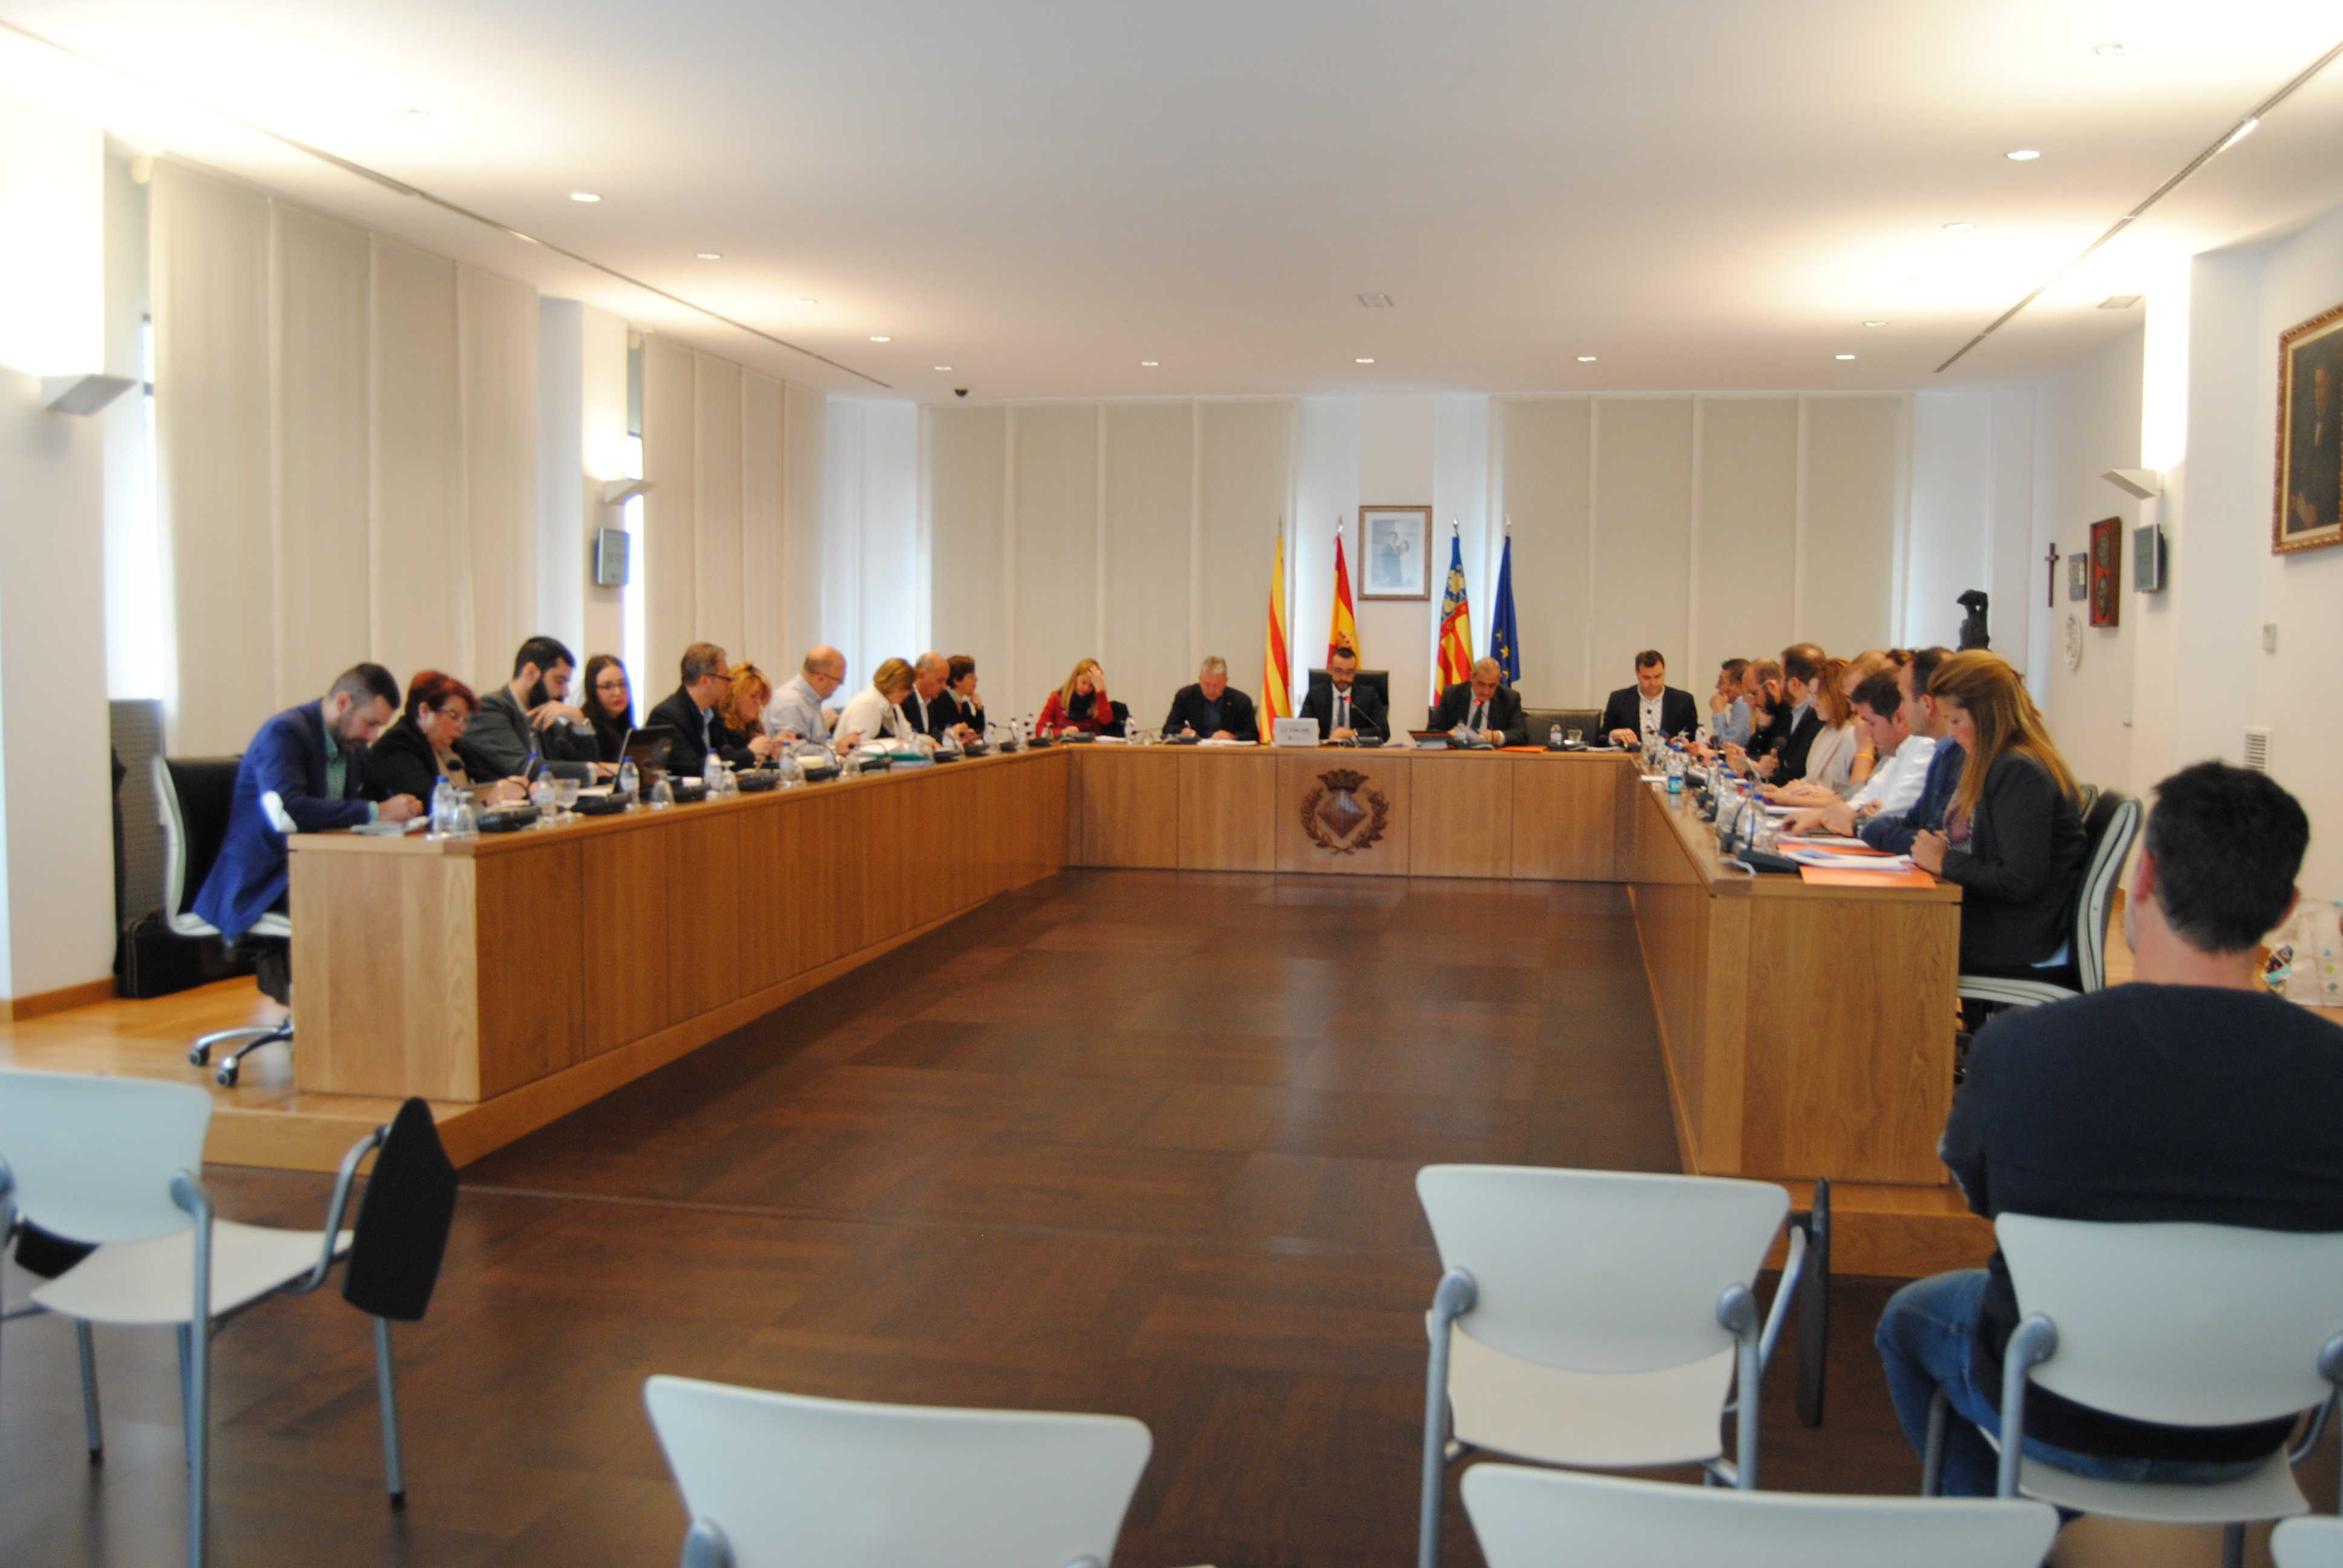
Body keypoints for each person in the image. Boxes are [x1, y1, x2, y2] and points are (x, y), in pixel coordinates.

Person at [1877, 762, 2343, 1498]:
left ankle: (1993, 1539)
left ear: (2145, 876)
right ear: (2284, 908)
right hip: (2253, 1422)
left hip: (2054, 1405)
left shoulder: (2023, 1050)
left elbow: (1975, 1189)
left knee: (1909, 1317)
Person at [194, 664, 421, 943]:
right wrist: (377, 811)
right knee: (368, 900)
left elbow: (357, 805)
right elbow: (289, 810)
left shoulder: (352, 744)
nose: (374, 737)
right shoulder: (284, 733)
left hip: (317, 866)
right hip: (267, 878)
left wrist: (402, 808)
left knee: (399, 885)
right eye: (371, 723)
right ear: (343, 703)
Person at [1909, 652, 2086, 976]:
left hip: (2016, 937)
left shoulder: (2019, 770)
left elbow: (2020, 881)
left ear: (1987, 714)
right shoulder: (1998, 763)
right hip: (2000, 923)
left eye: (1955, 721)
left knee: (1898, 940)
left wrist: (1945, 860)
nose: (1951, 733)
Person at [1786, 668, 1936, 837]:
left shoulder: (1925, 748)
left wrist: (1857, 817)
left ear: (1899, 719)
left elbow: (1889, 816)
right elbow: (1863, 798)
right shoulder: (1901, 751)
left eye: (1871, 723)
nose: (1868, 734)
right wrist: (1839, 814)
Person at [365, 671, 526, 806]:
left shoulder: (454, 746)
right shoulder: (396, 745)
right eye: (454, 716)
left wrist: (510, 785)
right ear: (424, 711)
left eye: (464, 719)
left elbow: (485, 781)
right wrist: (489, 798)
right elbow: (430, 801)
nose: (461, 727)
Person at [1861, 645, 1964, 854]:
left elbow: (1933, 841)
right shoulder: (1942, 751)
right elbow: (1913, 823)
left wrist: (1864, 825)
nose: (1901, 709)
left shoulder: (1959, 754)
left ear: (1926, 704)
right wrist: (1867, 824)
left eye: (1903, 699)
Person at [467, 635, 600, 781]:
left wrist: (579, 722)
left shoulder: (543, 715)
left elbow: (578, 765)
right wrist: (594, 770)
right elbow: (523, 768)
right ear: (531, 673)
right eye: (560, 681)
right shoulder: (489, 709)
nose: (565, 692)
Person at [646, 642, 780, 777]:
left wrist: (765, 750)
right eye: (726, 678)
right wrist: (749, 753)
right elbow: (693, 767)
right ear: (705, 680)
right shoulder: (667, 716)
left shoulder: (711, 714)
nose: (730, 683)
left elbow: (727, 755)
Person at [1734, 643, 1824, 782]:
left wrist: (1756, 769)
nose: (1777, 685)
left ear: (1794, 684)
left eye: (1781, 678)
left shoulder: (1816, 718)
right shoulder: (1795, 713)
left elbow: (1794, 772)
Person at [1600, 650, 1698, 746]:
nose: (1653, 683)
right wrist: (1613, 737)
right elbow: (1601, 739)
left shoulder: (1684, 701)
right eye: (1647, 678)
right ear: (1637, 673)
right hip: (1629, 760)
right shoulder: (1618, 700)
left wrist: (1684, 743)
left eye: (1658, 676)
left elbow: (1694, 739)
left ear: (1664, 671)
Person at [1430, 658, 1529, 747]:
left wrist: (1497, 736)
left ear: (1499, 680)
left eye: (1492, 686)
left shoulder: (1509, 698)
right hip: (1457, 757)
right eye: (1481, 684)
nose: (1486, 692)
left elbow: (1521, 734)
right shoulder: (1453, 694)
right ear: (1472, 677)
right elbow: (1432, 730)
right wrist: (1448, 735)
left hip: (1493, 760)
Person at [764, 646, 847, 747]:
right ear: (821, 679)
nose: (841, 685)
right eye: (839, 680)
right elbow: (793, 751)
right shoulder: (791, 703)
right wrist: (836, 750)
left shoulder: (810, 699)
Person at [1300, 645, 1386, 742]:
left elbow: (1384, 732)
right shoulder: (1315, 694)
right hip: (1324, 752)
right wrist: (1310, 731)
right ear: (1330, 670)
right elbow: (1302, 727)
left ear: (1355, 671)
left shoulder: (1369, 695)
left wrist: (1352, 733)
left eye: (1349, 672)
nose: (1344, 678)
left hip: (1358, 753)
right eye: (1339, 671)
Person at [1162, 656, 1257, 742]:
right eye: (1206, 684)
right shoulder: (1186, 696)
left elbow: (1253, 735)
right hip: (1195, 753)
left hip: (1228, 755)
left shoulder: (1241, 701)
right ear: (1200, 679)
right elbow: (1168, 728)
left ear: (1226, 682)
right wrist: (1182, 731)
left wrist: (1233, 736)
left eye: (1216, 685)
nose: (1211, 690)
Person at [837, 657, 921, 746]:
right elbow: (858, 746)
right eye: (906, 688)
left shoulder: (894, 706)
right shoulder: (866, 704)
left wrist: (925, 742)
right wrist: (897, 743)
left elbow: (907, 736)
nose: (908, 693)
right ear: (894, 684)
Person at [1037, 658, 1128, 737]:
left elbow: (1106, 721)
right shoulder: (1057, 698)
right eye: (1083, 683)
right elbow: (1040, 729)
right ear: (1075, 678)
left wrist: (1101, 690)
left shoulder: (1097, 700)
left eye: (1092, 686)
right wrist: (1062, 732)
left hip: (1089, 749)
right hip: (1062, 746)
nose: (1086, 688)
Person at [580, 654, 635, 763]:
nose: (618, 692)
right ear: (593, 691)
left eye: (623, 684)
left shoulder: (625, 725)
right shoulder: (583, 726)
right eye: (607, 686)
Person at [930, 655, 986, 742]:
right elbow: (938, 734)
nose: (976, 680)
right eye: (971, 677)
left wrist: (979, 709)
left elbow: (978, 731)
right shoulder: (941, 699)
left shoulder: (964, 704)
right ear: (957, 680)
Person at [902, 653, 955, 740]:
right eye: (940, 681)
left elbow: (932, 735)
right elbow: (909, 738)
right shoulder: (905, 700)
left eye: (945, 681)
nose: (944, 687)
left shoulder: (930, 701)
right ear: (921, 675)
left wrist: (954, 736)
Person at [721, 662, 773, 746]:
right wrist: (751, 752)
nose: (759, 703)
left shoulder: (756, 727)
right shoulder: (720, 729)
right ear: (734, 697)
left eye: (761, 697)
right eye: (753, 696)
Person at [1708, 658, 1753, 748]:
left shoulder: (1743, 703)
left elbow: (1727, 746)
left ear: (1738, 685)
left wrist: (1718, 712)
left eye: (1721, 682)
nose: (1717, 686)